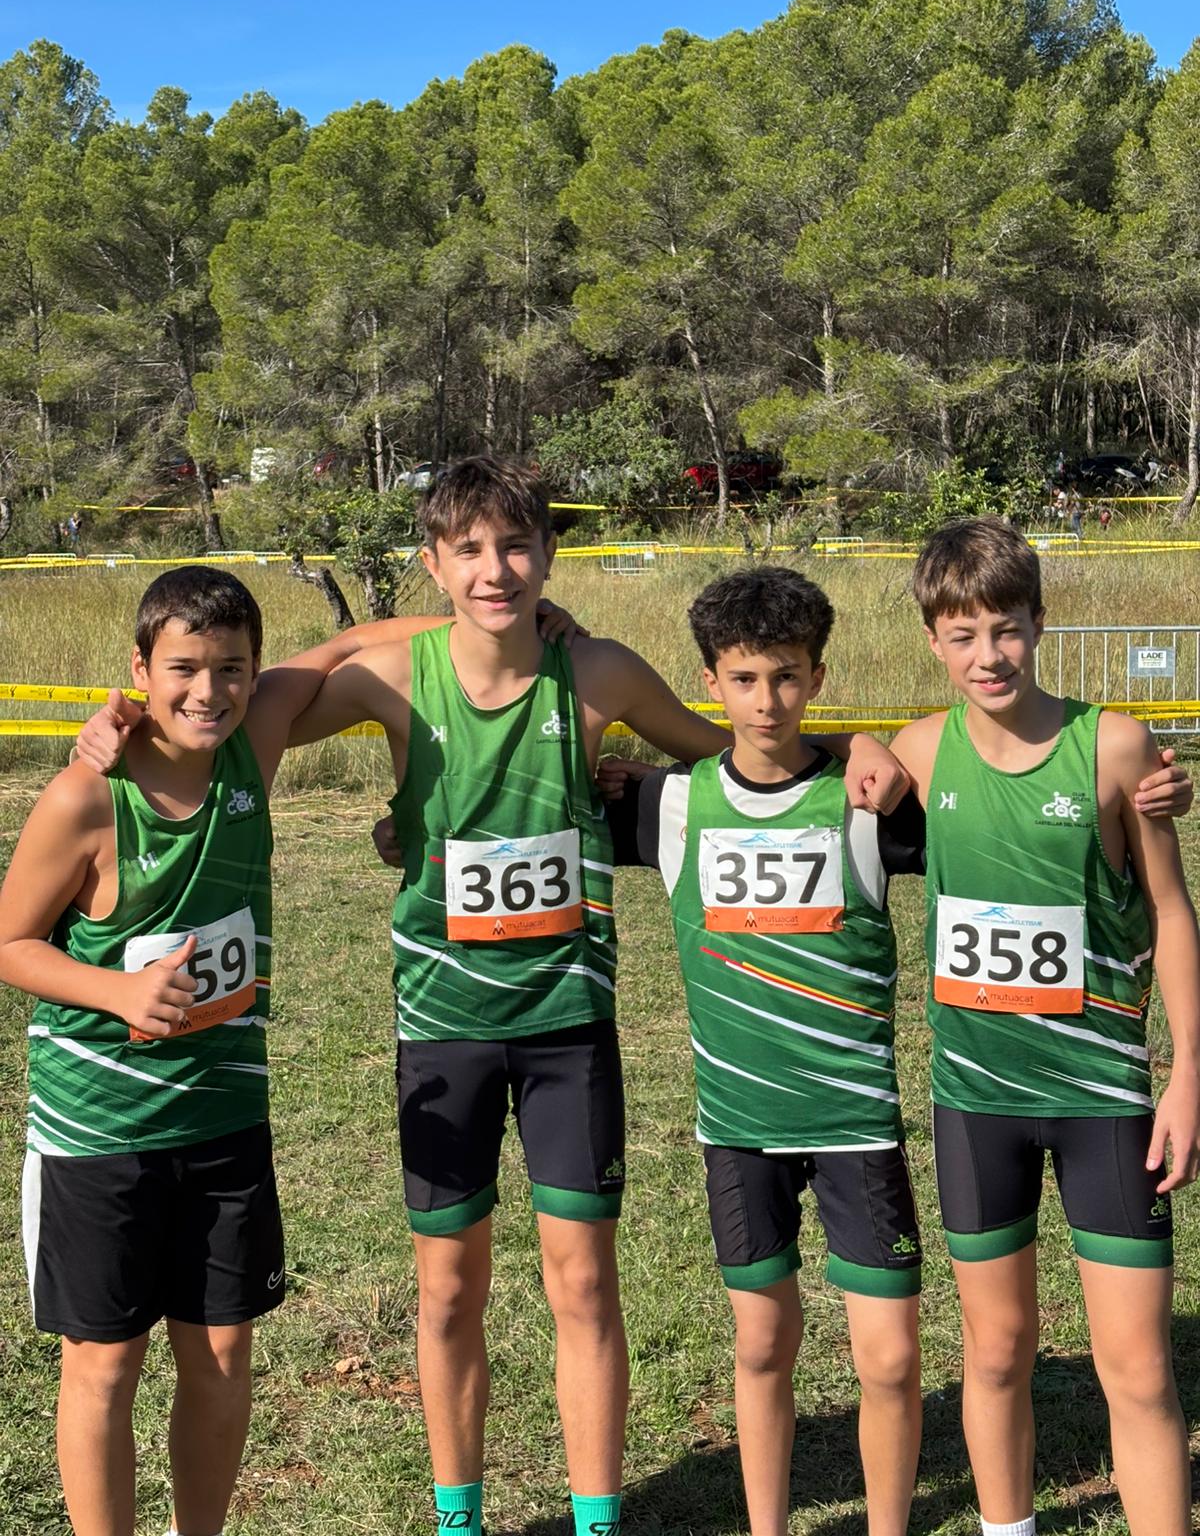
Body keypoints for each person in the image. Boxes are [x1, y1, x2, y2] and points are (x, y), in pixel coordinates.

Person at [77, 458, 908, 1536]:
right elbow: (246, 691)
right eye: (467, 550)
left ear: (550, 554)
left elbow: (749, 755)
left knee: (584, 1285)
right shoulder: (390, 675)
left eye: (516, 546)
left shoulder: (597, 671)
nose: (495, 570)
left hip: (569, 1032)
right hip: (443, 1032)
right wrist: (125, 718)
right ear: (433, 563)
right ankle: (458, 1518)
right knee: (447, 1292)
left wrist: (860, 745)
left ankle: (597, 1519)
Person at [2, 564, 527, 1536]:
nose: (209, 690)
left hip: (224, 1121)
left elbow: (350, 647)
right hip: (98, 1133)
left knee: (222, 1355)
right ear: (139, 670)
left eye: (232, 668)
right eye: (183, 669)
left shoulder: (255, 739)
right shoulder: (87, 796)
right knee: (105, 1365)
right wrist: (118, 990)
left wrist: (505, 618)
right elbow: (9, 941)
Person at [600, 568, 928, 1536]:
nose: (768, 700)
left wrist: (1144, 796)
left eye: (787, 676)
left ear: (818, 676)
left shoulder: (870, 799)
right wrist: (402, 827)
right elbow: (511, 808)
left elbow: (991, 801)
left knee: (890, 1360)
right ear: (710, 682)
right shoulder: (667, 803)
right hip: (740, 1129)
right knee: (760, 1347)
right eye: (744, 679)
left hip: (856, 1123)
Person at [889, 517, 1200, 1536]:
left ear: (1039, 623)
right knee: (993, 1353)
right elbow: (797, 769)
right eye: (963, 635)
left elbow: (1172, 914)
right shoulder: (916, 751)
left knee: (1140, 1367)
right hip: (977, 1103)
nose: (989, 655)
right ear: (933, 640)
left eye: (1007, 629)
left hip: (1103, 1100)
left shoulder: (1113, 747)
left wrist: (1188, 1076)